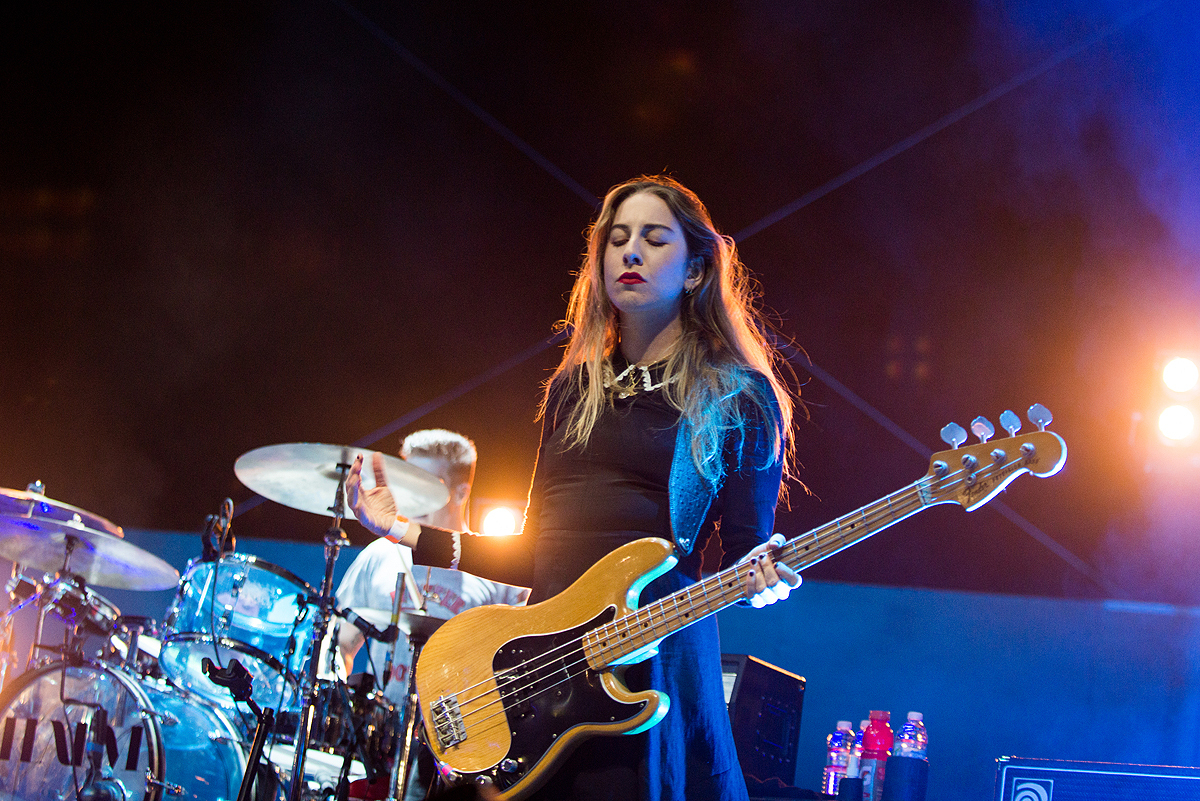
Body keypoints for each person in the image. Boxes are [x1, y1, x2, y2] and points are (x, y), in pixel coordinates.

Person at [348, 175, 801, 801]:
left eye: (652, 239)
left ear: (696, 270)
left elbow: (751, 554)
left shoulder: (736, 398)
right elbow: (538, 548)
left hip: (657, 675)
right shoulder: (573, 391)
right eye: (616, 240)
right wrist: (405, 532)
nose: (630, 253)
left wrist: (763, 582)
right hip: (549, 684)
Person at [334, 429, 529, 800]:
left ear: (460, 492)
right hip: (373, 748)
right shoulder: (378, 555)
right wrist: (345, 708)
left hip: (453, 755)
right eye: (409, 482)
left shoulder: (500, 572)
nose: (411, 496)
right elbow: (340, 645)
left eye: (426, 485)